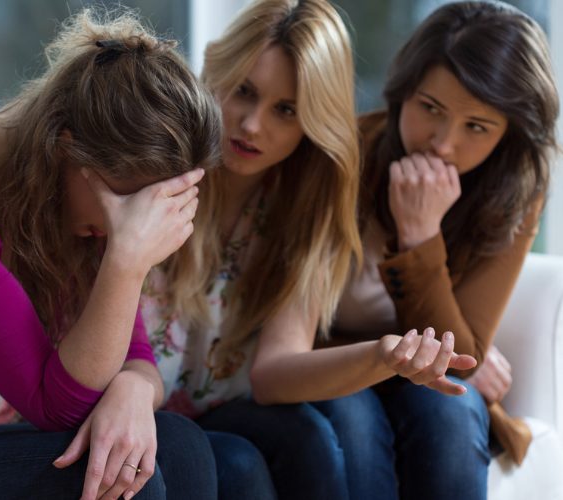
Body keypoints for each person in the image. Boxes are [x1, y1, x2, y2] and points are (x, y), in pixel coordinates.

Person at [0, 8, 224, 500]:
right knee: (114, 478)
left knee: (182, 446)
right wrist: (127, 260)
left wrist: (134, 390)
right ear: (66, 148)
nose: (125, 226)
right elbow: (54, 405)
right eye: (126, 206)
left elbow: (135, 357)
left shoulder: (62, 203)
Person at [139, 1, 478, 498]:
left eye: (286, 110)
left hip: (217, 412)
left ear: (311, 123)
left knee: (309, 437)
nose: (253, 125)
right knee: (238, 465)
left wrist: (384, 356)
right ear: (218, 69)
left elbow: (274, 373)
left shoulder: (303, 211)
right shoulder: (157, 167)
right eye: (245, 91)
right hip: (126, 408)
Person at [319, 2, 559, 499]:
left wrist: (420, 234)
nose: (443, 144)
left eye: (476, 127)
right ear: (403, 91)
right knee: (351, 415)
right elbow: (291, 333)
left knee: (450, 407)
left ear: (507, 135)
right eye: (430, 109)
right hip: (336, 368)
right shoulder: (343, 158)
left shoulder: (515, 191)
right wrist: (447, 344)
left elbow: (460, 360)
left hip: (428, 380)